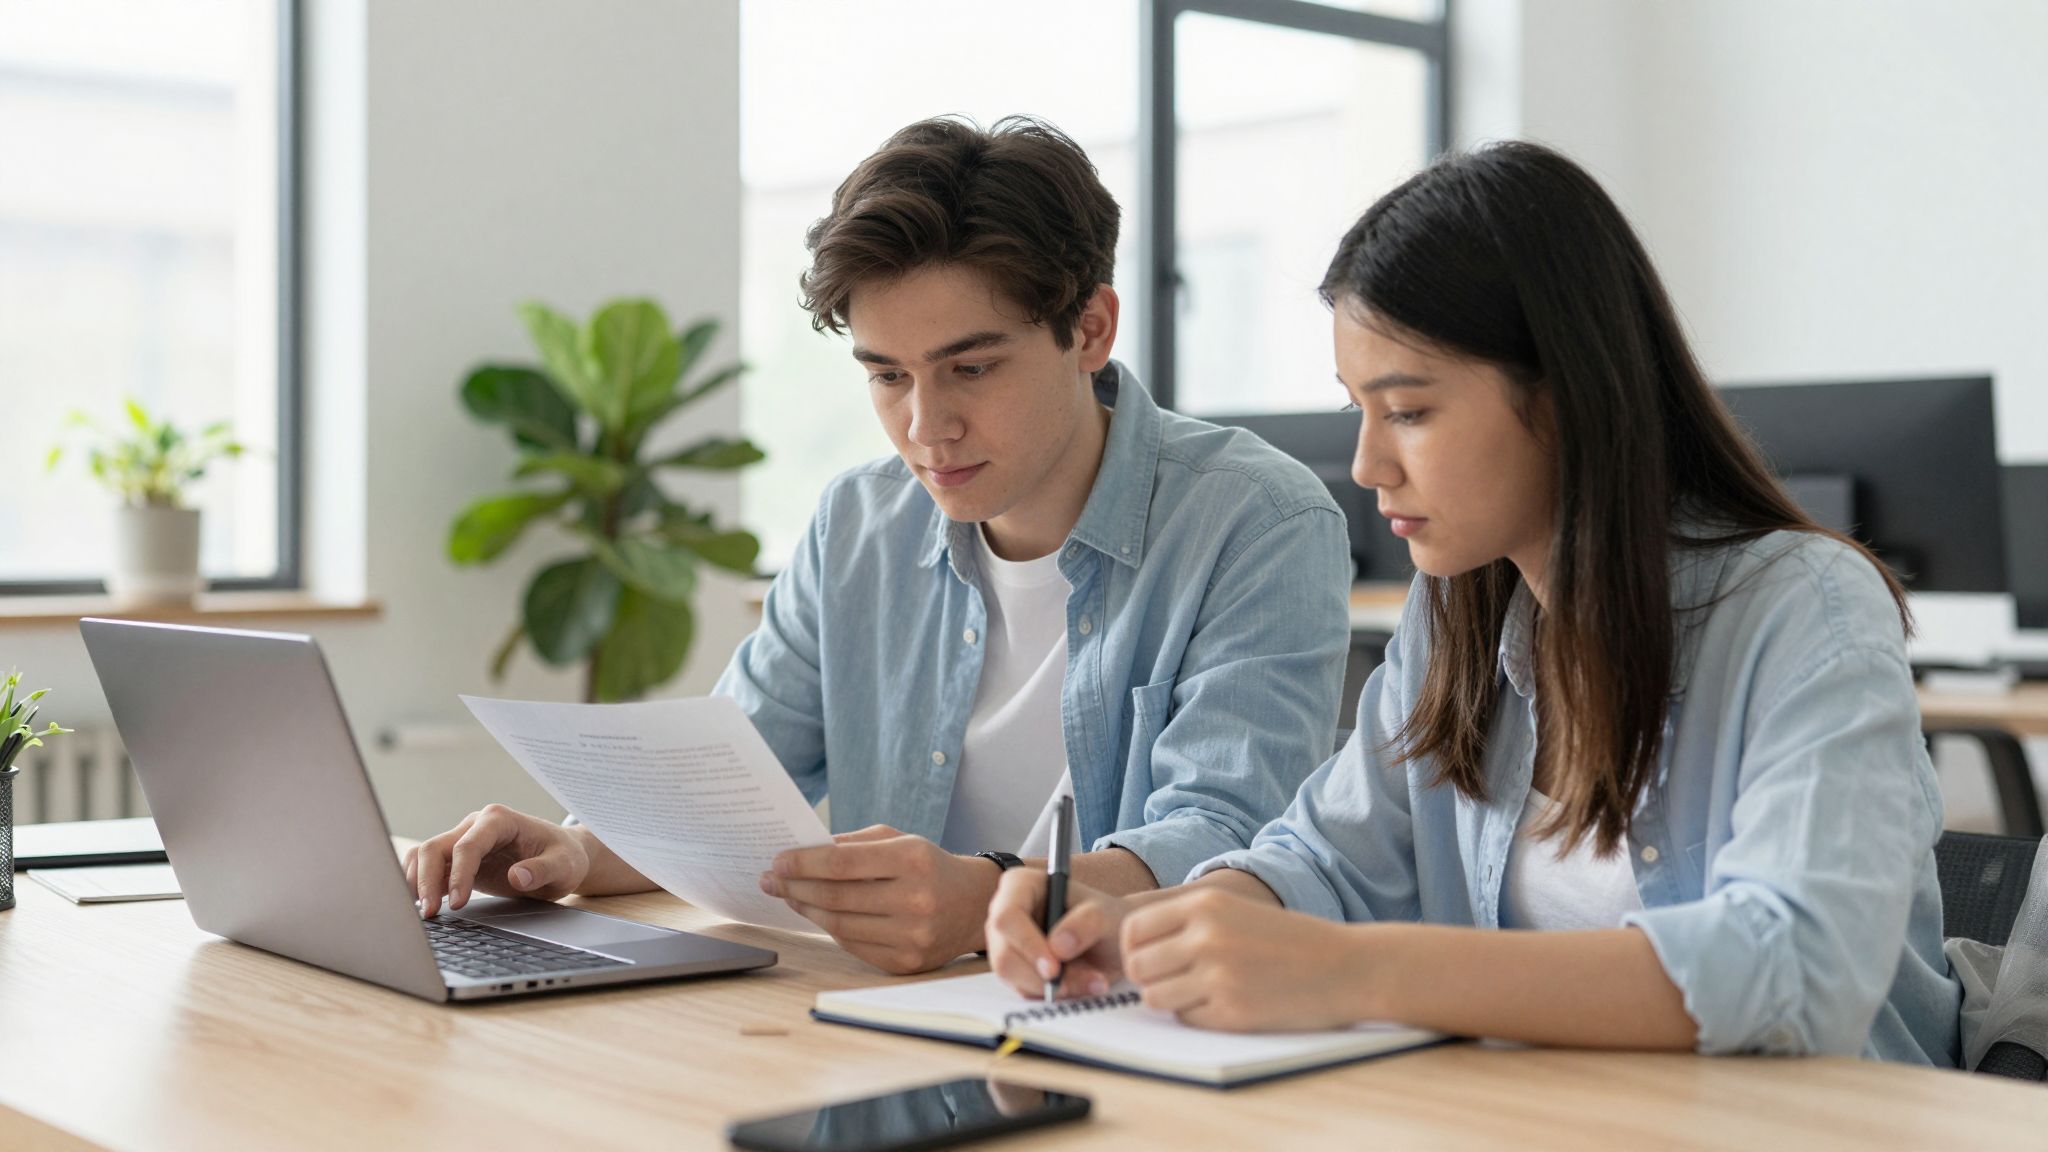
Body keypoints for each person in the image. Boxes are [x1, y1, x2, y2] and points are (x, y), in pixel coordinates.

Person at [984, 140, 1963, 1065]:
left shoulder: (1803, 613)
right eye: (1356, 410)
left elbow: (1796, 969)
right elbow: (1322, 860)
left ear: (1565, 394)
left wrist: (1354, 970)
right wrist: (1158, 929)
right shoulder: (1453, 616)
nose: (1366, 465)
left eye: (1407, 411)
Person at [405, 116, 1353, 974]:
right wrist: (570, 851)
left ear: (1090, 328)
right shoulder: (858, 523)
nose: (925, 426)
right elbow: (734, 781)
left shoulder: (1260, 522)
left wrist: (986, 899)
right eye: (887, 375)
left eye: (971, 368)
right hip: (886, 1020)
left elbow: (1226, 835)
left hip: (1131, 1027)